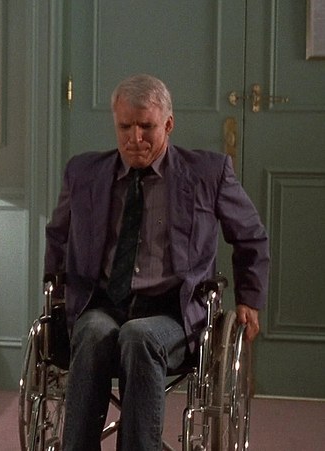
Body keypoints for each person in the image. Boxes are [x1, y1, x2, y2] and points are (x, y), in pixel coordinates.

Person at [43, 73, 269, 450]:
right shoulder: (84, 172)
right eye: (125, 127)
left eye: (146, 126)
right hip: (103, 304)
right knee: (92, 332)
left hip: (173, 312)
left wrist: (249, 298)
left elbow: (250, 235)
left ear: (168, 124)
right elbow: (58, 235)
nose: (135, 138)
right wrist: (56, 294)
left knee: (139, 336)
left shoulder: (207, 172)